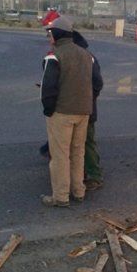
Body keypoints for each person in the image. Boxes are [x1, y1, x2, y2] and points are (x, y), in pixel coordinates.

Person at [40, 15, 97, 207]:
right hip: (84, 112)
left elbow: (48, 88)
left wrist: (48, 110)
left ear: (56, 35)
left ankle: (61, 197)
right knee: (77, 153)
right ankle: (78, 191)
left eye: (50, 34)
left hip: (62, 112)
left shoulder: (54, 56)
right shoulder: (86, 55)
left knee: (60, 155)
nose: (49, 37)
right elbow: (94, 83)